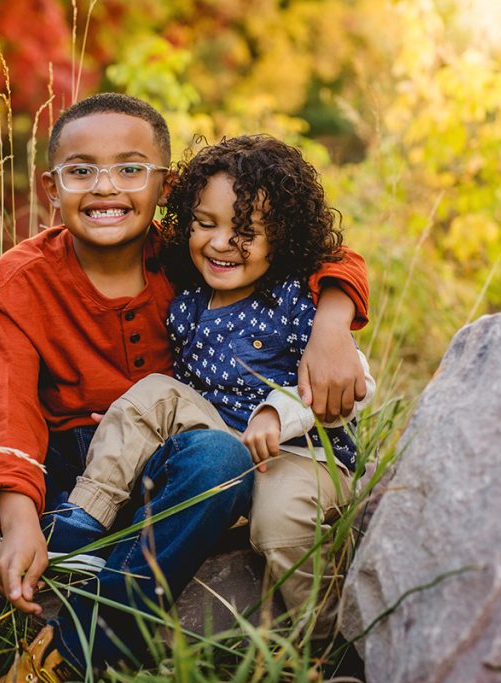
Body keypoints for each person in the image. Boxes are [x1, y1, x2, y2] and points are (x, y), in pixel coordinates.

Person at [0, 93, 370, 678]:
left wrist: (333, 322)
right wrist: (19, 522)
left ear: (164, 189)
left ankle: (81, 647)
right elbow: (9, 405)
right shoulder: (23, 275)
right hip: (53, 466)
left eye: (131, 168)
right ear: (50, 188)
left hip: (158, 475)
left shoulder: (193, 257)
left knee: (220, 455)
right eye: (81, 171)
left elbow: (318, 250)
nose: (106, 187)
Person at [42, 134, 375, 646]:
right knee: (155, 391)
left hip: (299, 454)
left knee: (280, 520)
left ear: (282, 237)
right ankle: (82, 522)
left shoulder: (293, 298)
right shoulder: (191, 293)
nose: (221, 242)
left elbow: (356, 381)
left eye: (245, 232)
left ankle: (325, 640)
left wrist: (276, 413)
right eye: (205, 224)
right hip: (219, 444)